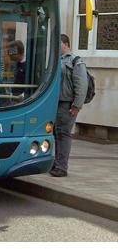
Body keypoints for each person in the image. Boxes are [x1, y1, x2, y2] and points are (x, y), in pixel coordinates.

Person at [51, 34, 87, 177]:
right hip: (55, 102)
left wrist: (77, 105)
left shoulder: (76, 61)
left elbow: (81, 85)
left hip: (67, 104)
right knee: (56, 133)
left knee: (63, 134)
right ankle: (56, 163)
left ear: (65, 44)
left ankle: (62, 167)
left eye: (58, 43)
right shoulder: (55, 59)